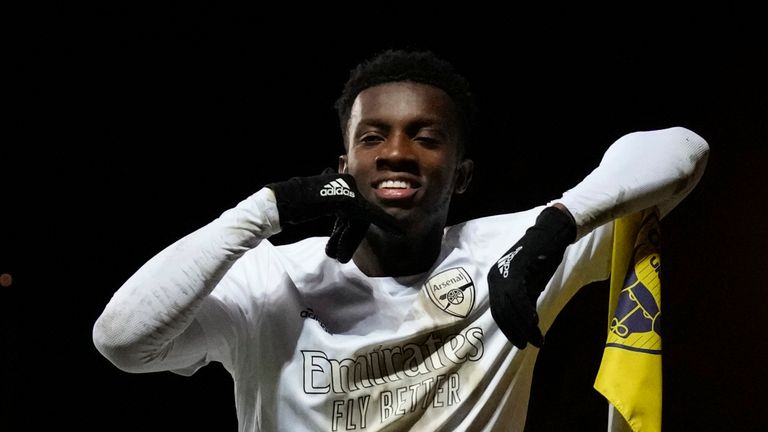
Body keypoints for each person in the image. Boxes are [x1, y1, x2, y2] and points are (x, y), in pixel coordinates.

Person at [92, 49, 709, 431]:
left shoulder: (514, 252)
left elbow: (682, 150)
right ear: (342, 168)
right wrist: (267, 209)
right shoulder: (269, 279)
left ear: (461, 174)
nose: (396, 154)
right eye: (373, 137)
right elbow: (121, 342)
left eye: (426, 137)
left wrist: (557, 226)